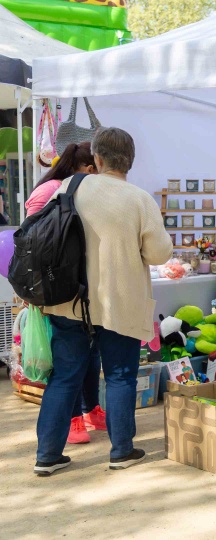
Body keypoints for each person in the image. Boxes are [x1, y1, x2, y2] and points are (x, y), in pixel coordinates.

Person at [34, 127, 173, 477]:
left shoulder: (68, 188)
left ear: (96, 158)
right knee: (121, 376)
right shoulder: (139, 199)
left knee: (64, 377)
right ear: (130, 160)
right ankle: (121, 451)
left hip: (69, 301)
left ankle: (47, 455)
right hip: (119, 303)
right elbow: (159, 253)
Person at [25, 142, 106, 446]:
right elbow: (34, 243)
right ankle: (73, 419)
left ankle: (91, 409)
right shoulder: (53, 192)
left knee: (89, 352)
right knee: (68, 361)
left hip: (74, 287)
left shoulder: (64, 188)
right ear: (87, 169)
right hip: (55, 288)